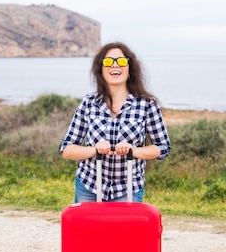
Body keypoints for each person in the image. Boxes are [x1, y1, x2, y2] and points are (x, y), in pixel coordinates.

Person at [59, 42, 171, 203]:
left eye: (121, 61)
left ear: (130, 68)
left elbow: (163, 148)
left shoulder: (147, 105)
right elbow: (66, 149)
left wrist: (133, 151)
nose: (114, 65)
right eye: (108, 62)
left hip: (128, 189)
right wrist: (94, 150)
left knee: (124, 229)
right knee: (89, 229)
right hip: (89, 186)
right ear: (101, 70)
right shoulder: (89, 103)